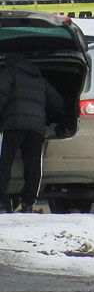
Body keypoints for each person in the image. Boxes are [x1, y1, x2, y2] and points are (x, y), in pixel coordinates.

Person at [0, 54, 64, 213]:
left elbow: (1, 95)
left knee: (4, 162)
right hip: (36, 128)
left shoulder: (9, 72)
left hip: (13, 124)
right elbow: (57, 102)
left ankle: (1, 202)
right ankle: (28, 203)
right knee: (34, 165)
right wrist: (51, 118)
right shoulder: (40, 79)